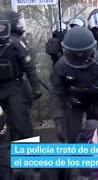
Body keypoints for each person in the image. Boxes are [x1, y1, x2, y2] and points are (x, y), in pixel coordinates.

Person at [50, 27, 98, 143]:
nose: (80, 57)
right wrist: (58, 120)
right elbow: (57, 94)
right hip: (75, 101)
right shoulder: (61, 66)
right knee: (70, 136)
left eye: (83, 53)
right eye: (76, 54)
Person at [0, 12, 41, 141]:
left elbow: (29, 68)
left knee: (21, 123)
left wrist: (36, 88)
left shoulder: (16, 44)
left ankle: (29, 157)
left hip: (14, 87)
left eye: (1, 27)